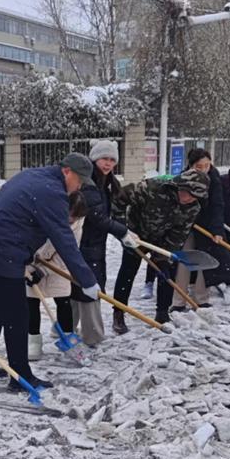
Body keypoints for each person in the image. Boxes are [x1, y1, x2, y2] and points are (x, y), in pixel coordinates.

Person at [0, 153, 102, 391]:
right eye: (79, 181)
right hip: (3, 255)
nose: (78, 187)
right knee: (17, 319)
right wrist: (87, 280)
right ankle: (21, 377)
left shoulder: (32, 176)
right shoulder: (52, 192)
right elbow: (63, 239)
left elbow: (14, 216)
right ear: (67, 171)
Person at [111, 169, 209, 330]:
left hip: (162, 240)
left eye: (195, 197)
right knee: (128, 272)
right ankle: (119, 313)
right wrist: (122, 229)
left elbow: (180, 233)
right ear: (180, 186)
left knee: (166, 273)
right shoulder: (152, 188)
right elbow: (120, 198)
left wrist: (165, 254)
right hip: (136, 235)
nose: (189, 199)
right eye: (188, 194)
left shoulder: (192, 207)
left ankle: (162, 314)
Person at [74, 139, 138, 345]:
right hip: (85, 242)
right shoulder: (90, 183)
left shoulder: (106, 182)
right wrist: (123, 232)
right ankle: (92, 335)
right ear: (94, 159)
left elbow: (109, 214)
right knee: (90, 287)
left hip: (93, 241)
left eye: (112, 159)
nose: (108, 163)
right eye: (104, 158)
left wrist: (123, 232)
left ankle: (65, 329)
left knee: (77, 286)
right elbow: (97, 217)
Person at [25, 191, 88, 359]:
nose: (72, 220)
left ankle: (68, 337)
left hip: (59, 266)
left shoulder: (77, 226)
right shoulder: (43, 215)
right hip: (33, 261)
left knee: (63, 301)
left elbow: (68, 252)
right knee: (31, 302)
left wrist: (44, 271)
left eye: (76, 217)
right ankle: (33, 341)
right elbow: (29, 240)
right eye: (70, 215)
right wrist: (29, 266)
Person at [171, 148, 230, 310]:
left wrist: (217, 230)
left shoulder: (214, 178)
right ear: (190, 165)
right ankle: (179, 300)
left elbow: (217, 205)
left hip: (207, 225)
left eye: (207, 165)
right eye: (199, 166)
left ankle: (201, 298)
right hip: (187, 225)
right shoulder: (183, 179)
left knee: (205, 261)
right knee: (185, 259)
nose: (204, 169)